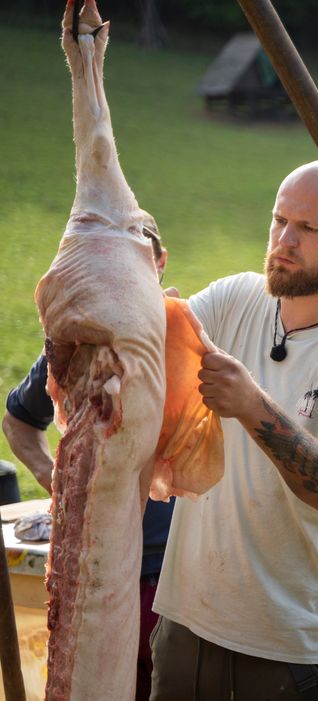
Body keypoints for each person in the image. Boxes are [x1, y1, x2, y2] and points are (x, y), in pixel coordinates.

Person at [148, 160, 318, 700]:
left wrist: (251, 405)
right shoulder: (236, 298)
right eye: (279, 220)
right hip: (186, 626)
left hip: (288, 650)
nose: (285, 241)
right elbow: (150, 348)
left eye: (309, 229)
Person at [3, 215, 169, 701]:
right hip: (93, 568)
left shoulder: (182, 334)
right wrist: (55, 479)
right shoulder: (76, 343)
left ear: (159, 264)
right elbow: (18, 420)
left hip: (170, 573)